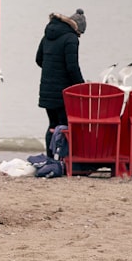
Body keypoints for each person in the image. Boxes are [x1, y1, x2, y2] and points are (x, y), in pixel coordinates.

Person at [35, 9, 86, 157]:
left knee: (52, 125)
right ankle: (64, 158)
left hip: (46, 88)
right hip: (63, 91)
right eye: (80, 33)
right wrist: (81, 86)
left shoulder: (48, 35)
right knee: (64, 125)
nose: (79, 36)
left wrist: (51, 70)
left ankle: (51, 157)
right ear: (77, 28)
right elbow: (72, 67)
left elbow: (38, 60)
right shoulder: (71, 38)